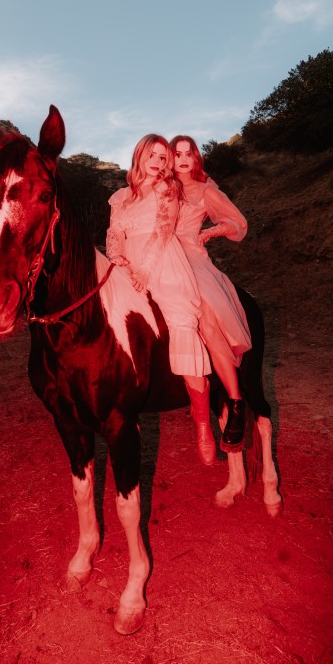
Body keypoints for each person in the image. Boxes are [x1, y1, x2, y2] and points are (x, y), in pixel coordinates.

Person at [105, 134, 214, 462]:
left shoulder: (167, 189)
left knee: (182, 327)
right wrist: (118, 260)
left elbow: (163, 230)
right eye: (152, 154)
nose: (157, 161)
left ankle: (203, 423)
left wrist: (145, 271)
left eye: (163, 158)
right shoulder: (120, 196)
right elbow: (114, 234)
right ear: (139, 155)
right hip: (126, 268)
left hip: (163, 264)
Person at [169, 135, 251, 455]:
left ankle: (236, 402)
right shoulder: (160, 189)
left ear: (196, 158)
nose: (184, 159)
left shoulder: (205, 190)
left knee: (205, 315)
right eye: (177, 154)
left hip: (191, 260)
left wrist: (211, 230)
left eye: (190, 153)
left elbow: (237, 223)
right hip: (161, 260)